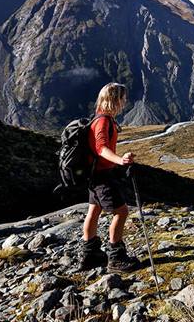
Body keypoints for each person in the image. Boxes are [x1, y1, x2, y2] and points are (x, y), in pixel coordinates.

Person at [80, 82, 139, 272]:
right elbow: (101, 148)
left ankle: (89, 255)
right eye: (122, 98)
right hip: (102, 176)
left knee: (94, 211)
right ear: (115, 100)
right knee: (121, 212)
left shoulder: (99, 119)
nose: (125, 101)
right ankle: (116, 258)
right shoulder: (103, 122)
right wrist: (121, 160)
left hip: (93, 175)